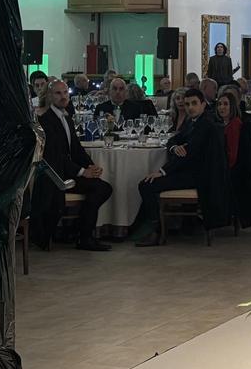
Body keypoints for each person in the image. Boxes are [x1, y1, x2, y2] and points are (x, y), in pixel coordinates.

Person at [131, 88, 217, 246]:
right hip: (188, 171)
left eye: (194, 103)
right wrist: (173, 148)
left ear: (203, 105)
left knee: (146, 185)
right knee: (147, 184)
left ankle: (156, 232)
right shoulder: (193, 122)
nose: (190, 107)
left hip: (199, 176)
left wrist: (162, 172)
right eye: (187, 104)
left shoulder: (206, 125)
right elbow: (173, 139)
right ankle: (150, 228)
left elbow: (188, 155)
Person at [34, 80, 112, 252]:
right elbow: (55, 156)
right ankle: (83, 236)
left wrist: (91, 167)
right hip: (54, 176)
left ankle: (76, 232)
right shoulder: (45, 121)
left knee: (102, 188)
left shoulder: (66, 117)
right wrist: (83, 172)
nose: (63, 97)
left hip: (67, 171)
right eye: (58, 93)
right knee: (101, 189)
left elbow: (75, 149)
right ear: (49, 96)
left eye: (65, 93)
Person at [216, 89, 251, 170]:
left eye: (225, 104)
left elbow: (232, 155)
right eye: (219, 104)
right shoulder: (223, 124)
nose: (221, 107)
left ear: (232, 106)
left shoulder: (234, 124)